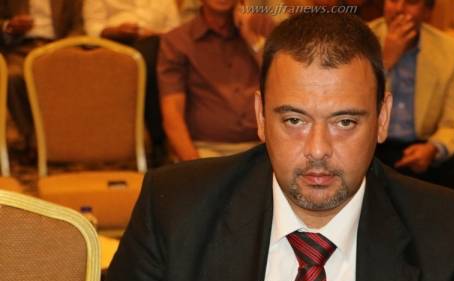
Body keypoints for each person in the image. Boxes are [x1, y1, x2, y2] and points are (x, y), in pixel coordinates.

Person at [62, 13, 454, 281]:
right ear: (260, 115)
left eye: (345, 122)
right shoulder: (174, 211)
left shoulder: (450, 237)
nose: (318, 150)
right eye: (294, 120)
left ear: (382, 119)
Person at [370, 0, 454, 191]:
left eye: (411, 2)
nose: (399, 9)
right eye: (393, 0)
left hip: (421, 145)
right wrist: (385, 62)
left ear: (427, 11)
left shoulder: (448, 49)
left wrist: (433, 148)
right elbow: (349, 99)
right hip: (373, 145)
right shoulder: (360, 38)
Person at [158, 0, 275, 161]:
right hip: (205, 150)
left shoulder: (263, 27)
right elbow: (172, 114)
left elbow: (285, 82)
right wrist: (195, 165)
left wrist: (254, 41)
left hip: (263, 148)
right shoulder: (177, 41)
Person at [83, 0, 182, 167]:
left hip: (158, 47)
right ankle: (159, 140)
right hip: (113, 48)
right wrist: (116, 31)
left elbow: (176, 32)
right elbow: (92, 31)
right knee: (152, 63)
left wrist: (156, 34)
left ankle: (158, 141)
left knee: (154, 53)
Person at [1, 0, 83, 157]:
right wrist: (9, 27)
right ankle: (32, 138)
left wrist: (64, 48)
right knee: (12, 77)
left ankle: (65, 140)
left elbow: (79, 27)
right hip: (21, 48)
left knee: (63, 77)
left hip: (59, 48)